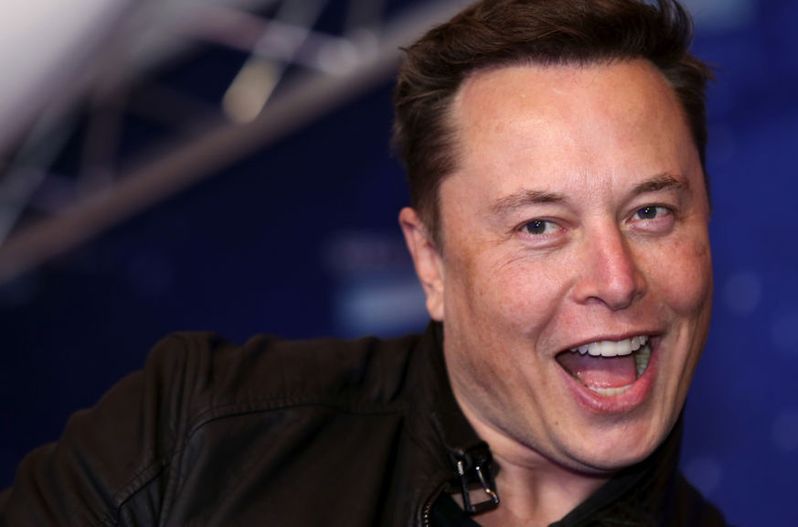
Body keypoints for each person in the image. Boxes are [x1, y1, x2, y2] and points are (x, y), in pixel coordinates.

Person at [0, 0, 724, 525]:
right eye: (540, 225)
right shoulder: (197, 439)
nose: (616, 279)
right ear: (430, 263)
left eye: (651, 212)